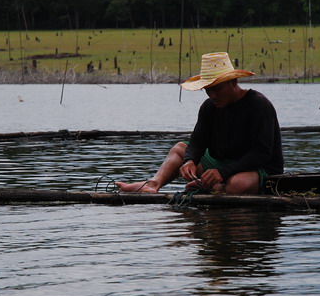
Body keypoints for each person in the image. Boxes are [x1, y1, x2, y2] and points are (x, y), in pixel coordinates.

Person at [116, 52, 283, 195]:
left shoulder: (259, 105)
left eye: (217, 88)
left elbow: (262, 153)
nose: (212, 95)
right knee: (179, 149)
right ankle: (152, 185)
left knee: (238, 184)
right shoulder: (209, 107)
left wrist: (223, 173)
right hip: (223, 166)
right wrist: (189, 160)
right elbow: (197, 142)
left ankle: (214, 187)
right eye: (208, 90)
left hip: (259, 169)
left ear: (234, 82)